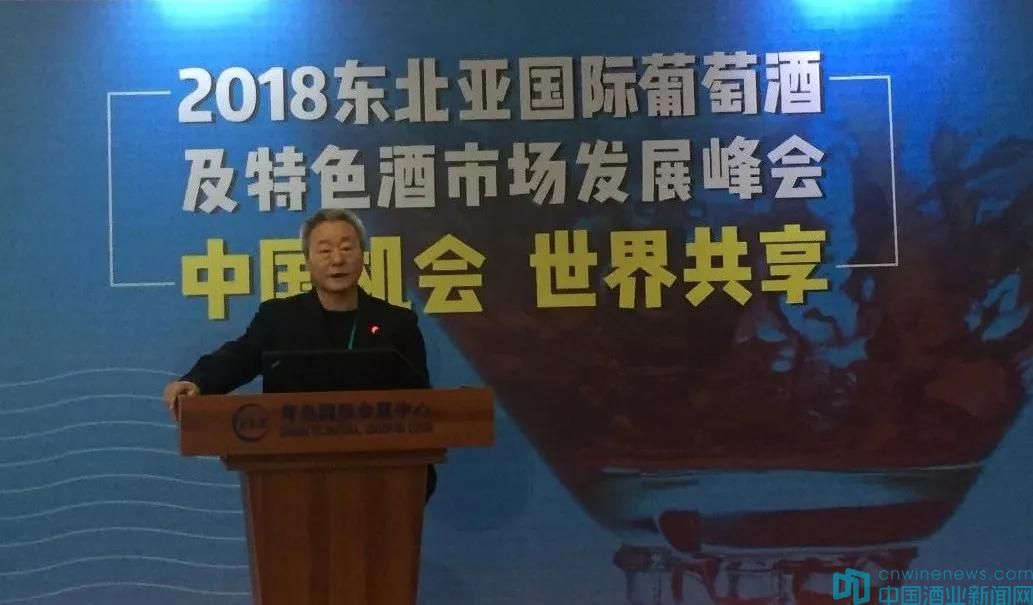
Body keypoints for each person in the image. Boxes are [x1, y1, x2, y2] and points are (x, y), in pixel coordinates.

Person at [162, 208, 436, 500]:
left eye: (347, 248)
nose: (337, 259)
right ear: (307, 260)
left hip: (380, 481)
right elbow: (240, 357)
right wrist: (198, 381)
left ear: (363, 255)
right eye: (325, 250)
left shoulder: (397, 323)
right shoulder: (280, 318)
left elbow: (422, 403)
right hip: (292, 481)